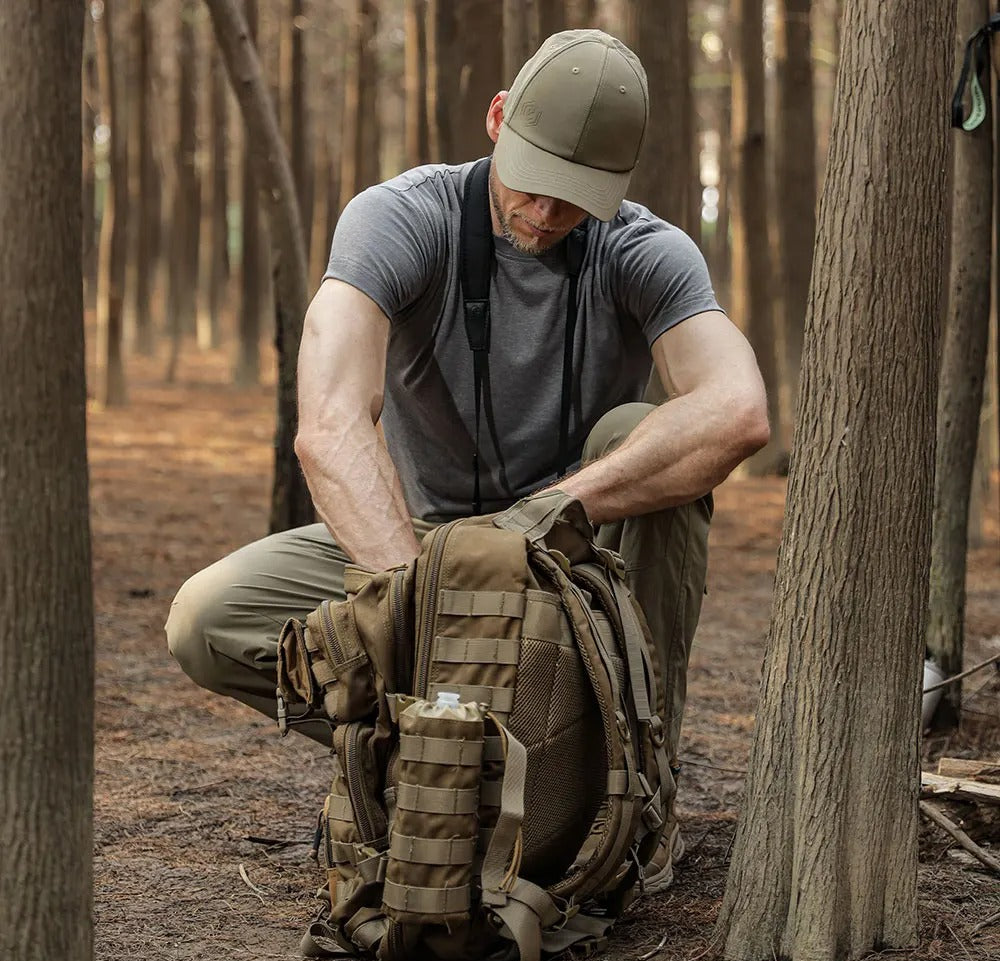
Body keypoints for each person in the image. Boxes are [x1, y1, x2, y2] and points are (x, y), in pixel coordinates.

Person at [166, 29, 768, 890]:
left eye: (577, 196)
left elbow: (738, 411)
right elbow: (331, 422)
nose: (549, 213)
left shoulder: (643, 250)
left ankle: (637, 785)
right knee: (206, 620)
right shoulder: (402, 218)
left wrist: (546, 513)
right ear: (496, 119)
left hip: (573, 557)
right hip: (415, 540)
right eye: (536, 183)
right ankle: (422, 747)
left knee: (646, 426)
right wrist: (422, 604)